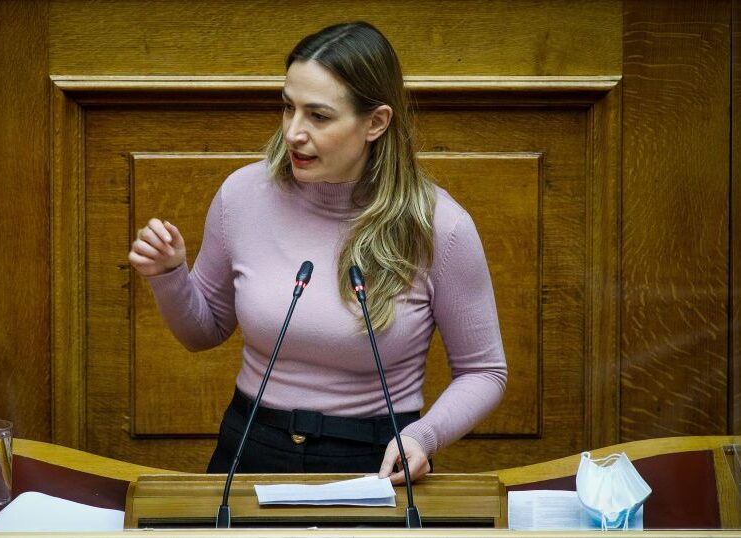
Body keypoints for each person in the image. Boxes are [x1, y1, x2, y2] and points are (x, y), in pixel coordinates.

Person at [128, 21, 507, 484]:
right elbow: (203, 332)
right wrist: (169, 275)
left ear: (375, 122)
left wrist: (423, 437)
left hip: (374, 459)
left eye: (318, 116)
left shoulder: (439, 226)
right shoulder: (241, 196)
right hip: (250, 444)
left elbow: (484, 371)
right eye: (288, 107)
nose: (293, 133)